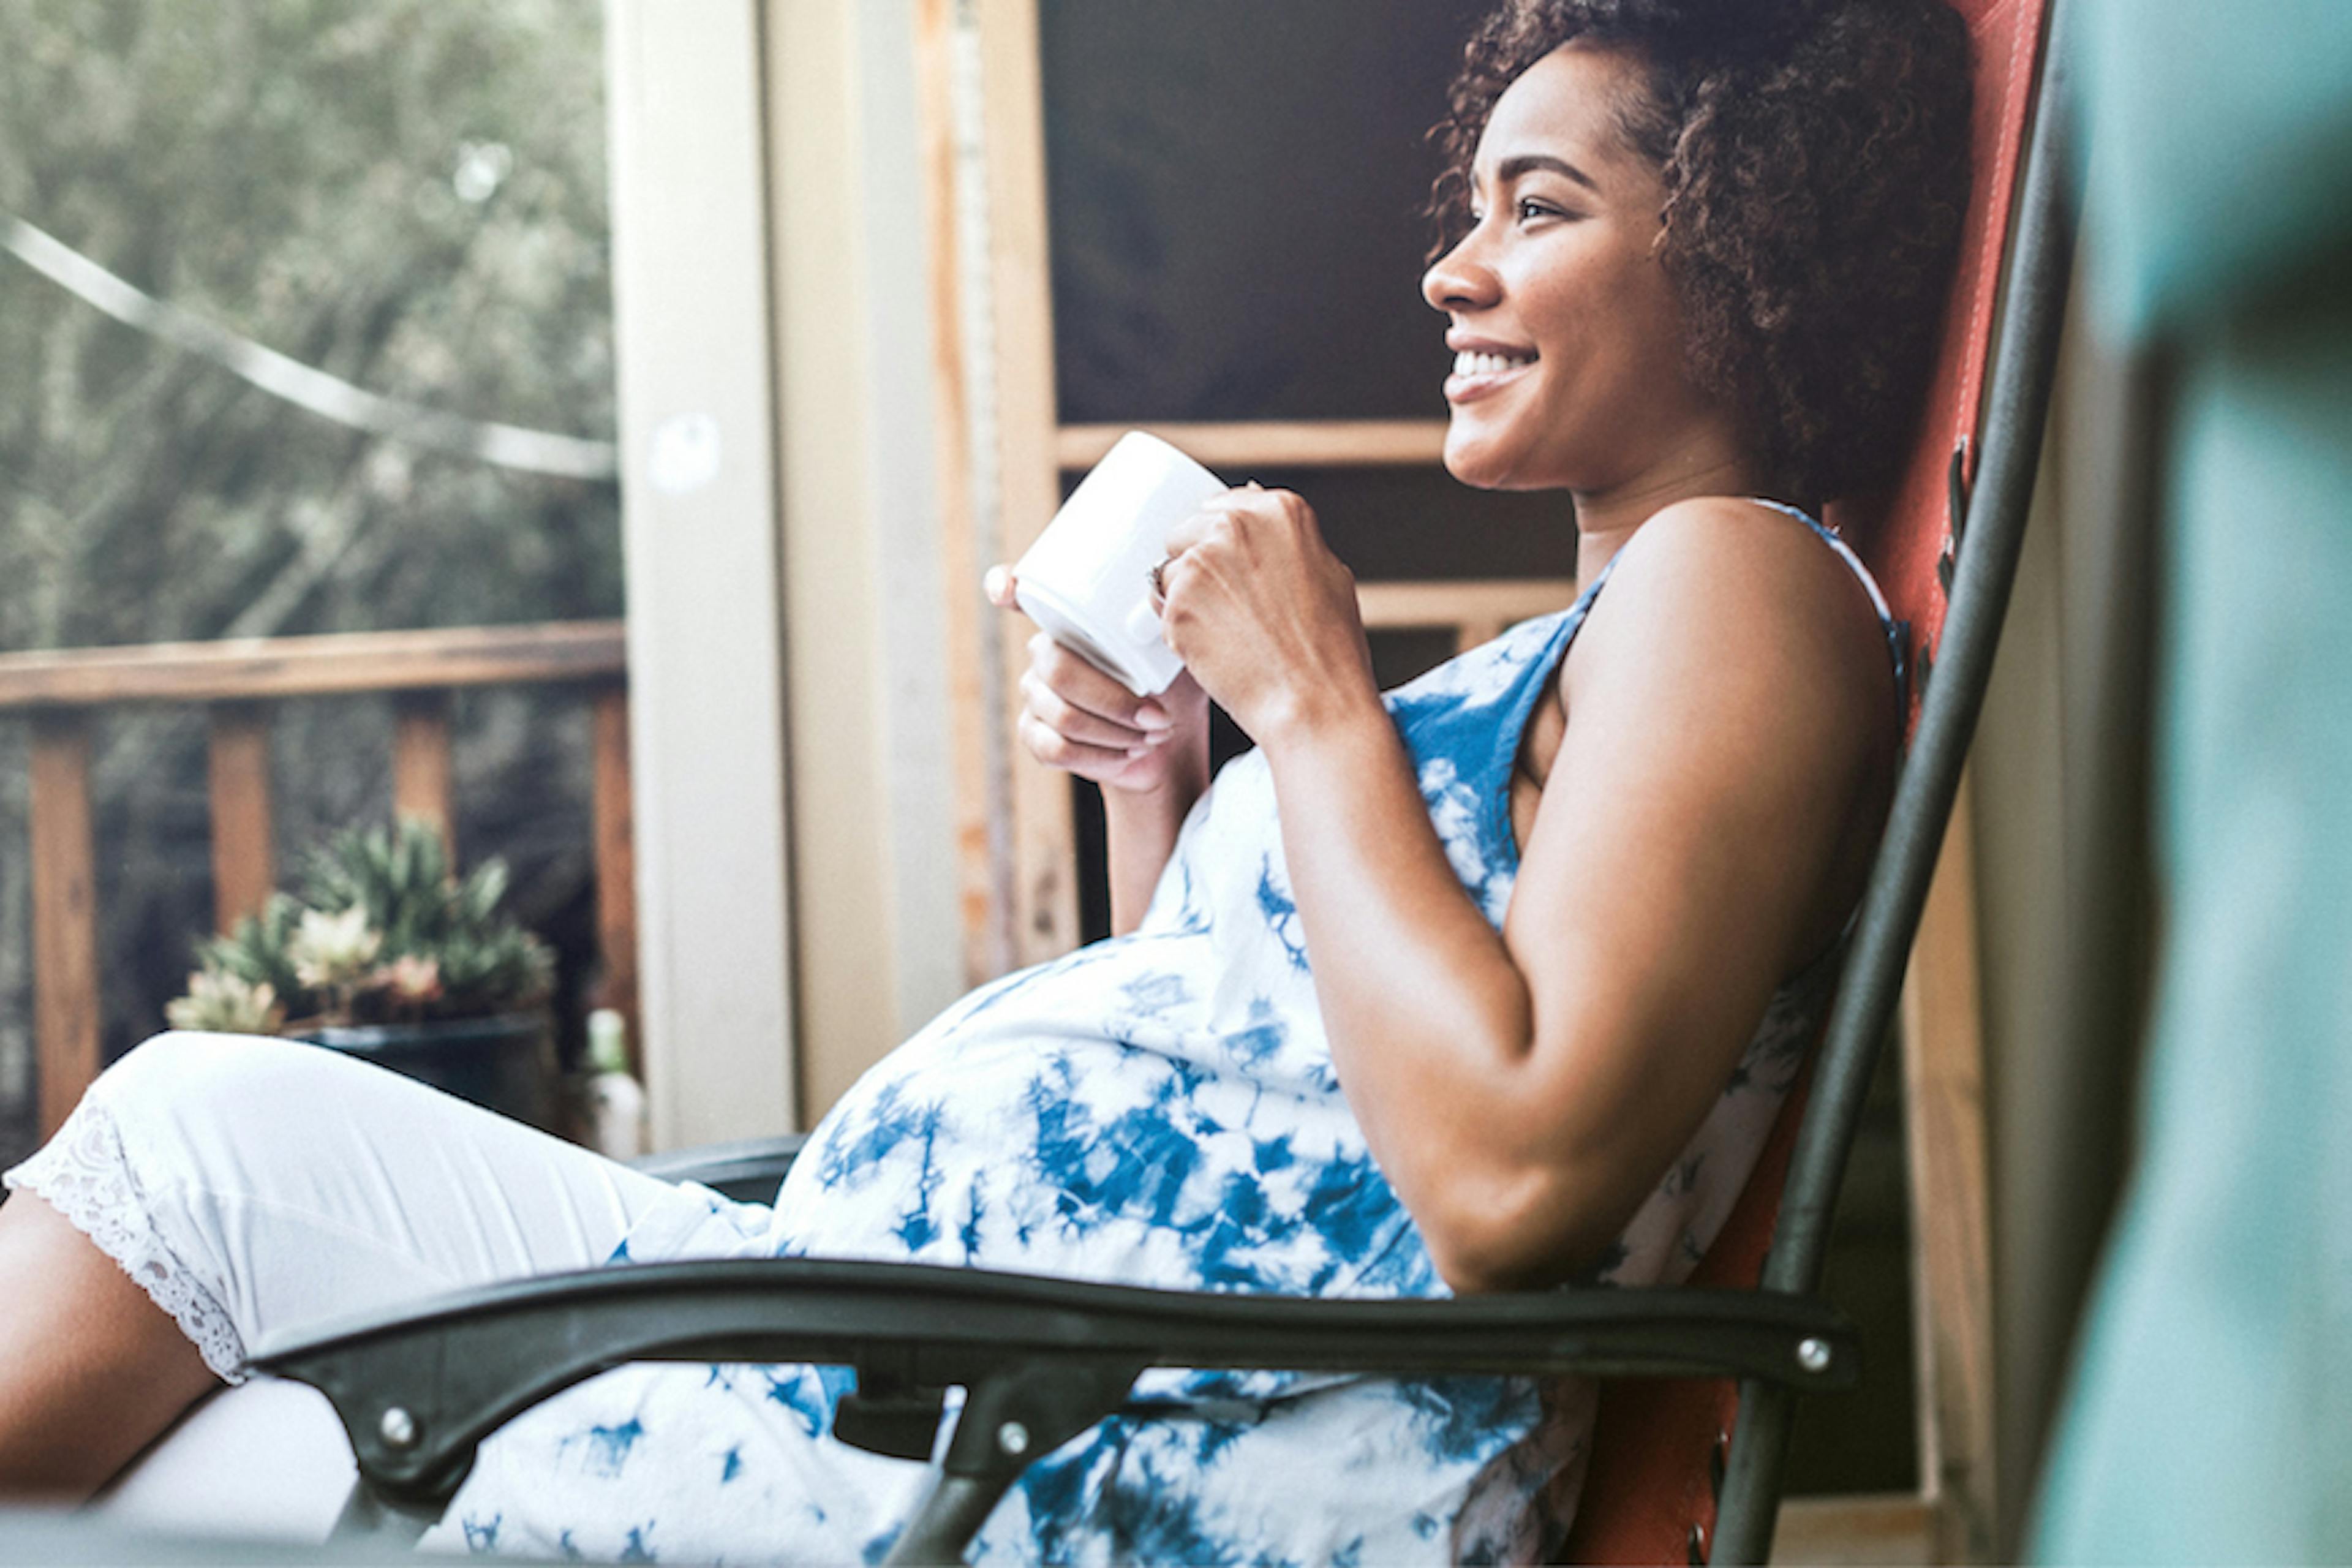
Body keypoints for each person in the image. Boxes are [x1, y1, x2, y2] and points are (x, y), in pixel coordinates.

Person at [0, 0, 1970, 1560]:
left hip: (1070, 1459)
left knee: (206, 1286)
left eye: (1538, 211)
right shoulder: (1611, 633)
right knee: (197, 1236)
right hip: (953, 1370)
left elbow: (1510, 1184)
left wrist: (1316, 716)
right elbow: (1274, 1123)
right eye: (1469, 209)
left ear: (1740, 246)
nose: (1453, 272)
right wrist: (1174, 792)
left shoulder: (1741, 582)